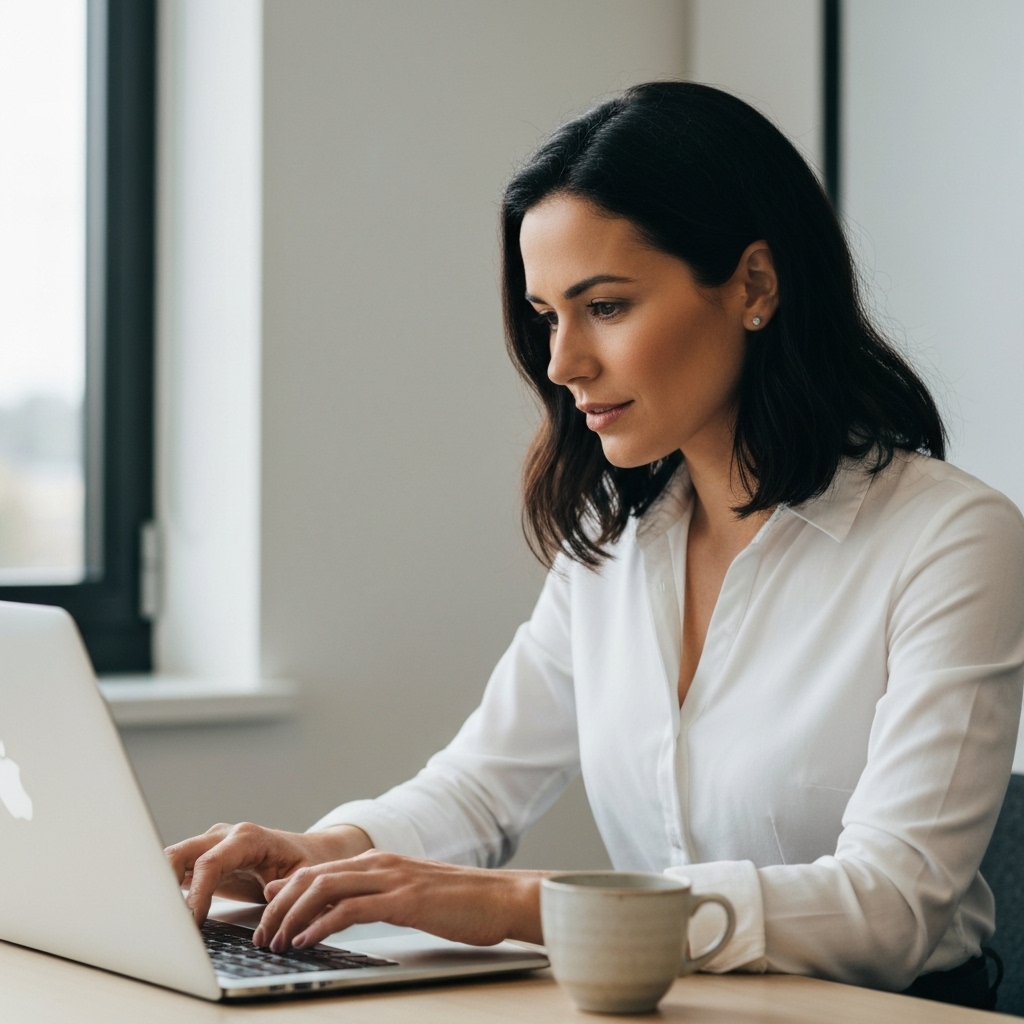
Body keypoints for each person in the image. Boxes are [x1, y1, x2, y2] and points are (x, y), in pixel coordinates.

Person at [166, 82, 1024, 1009]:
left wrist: (520, 905)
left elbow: (890, 909)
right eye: (546, 316)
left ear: (755, 287)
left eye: (605, 306)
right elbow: (478, 790)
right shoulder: (616, 544)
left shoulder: (951, 540)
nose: (562, 362)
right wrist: (325, 854)